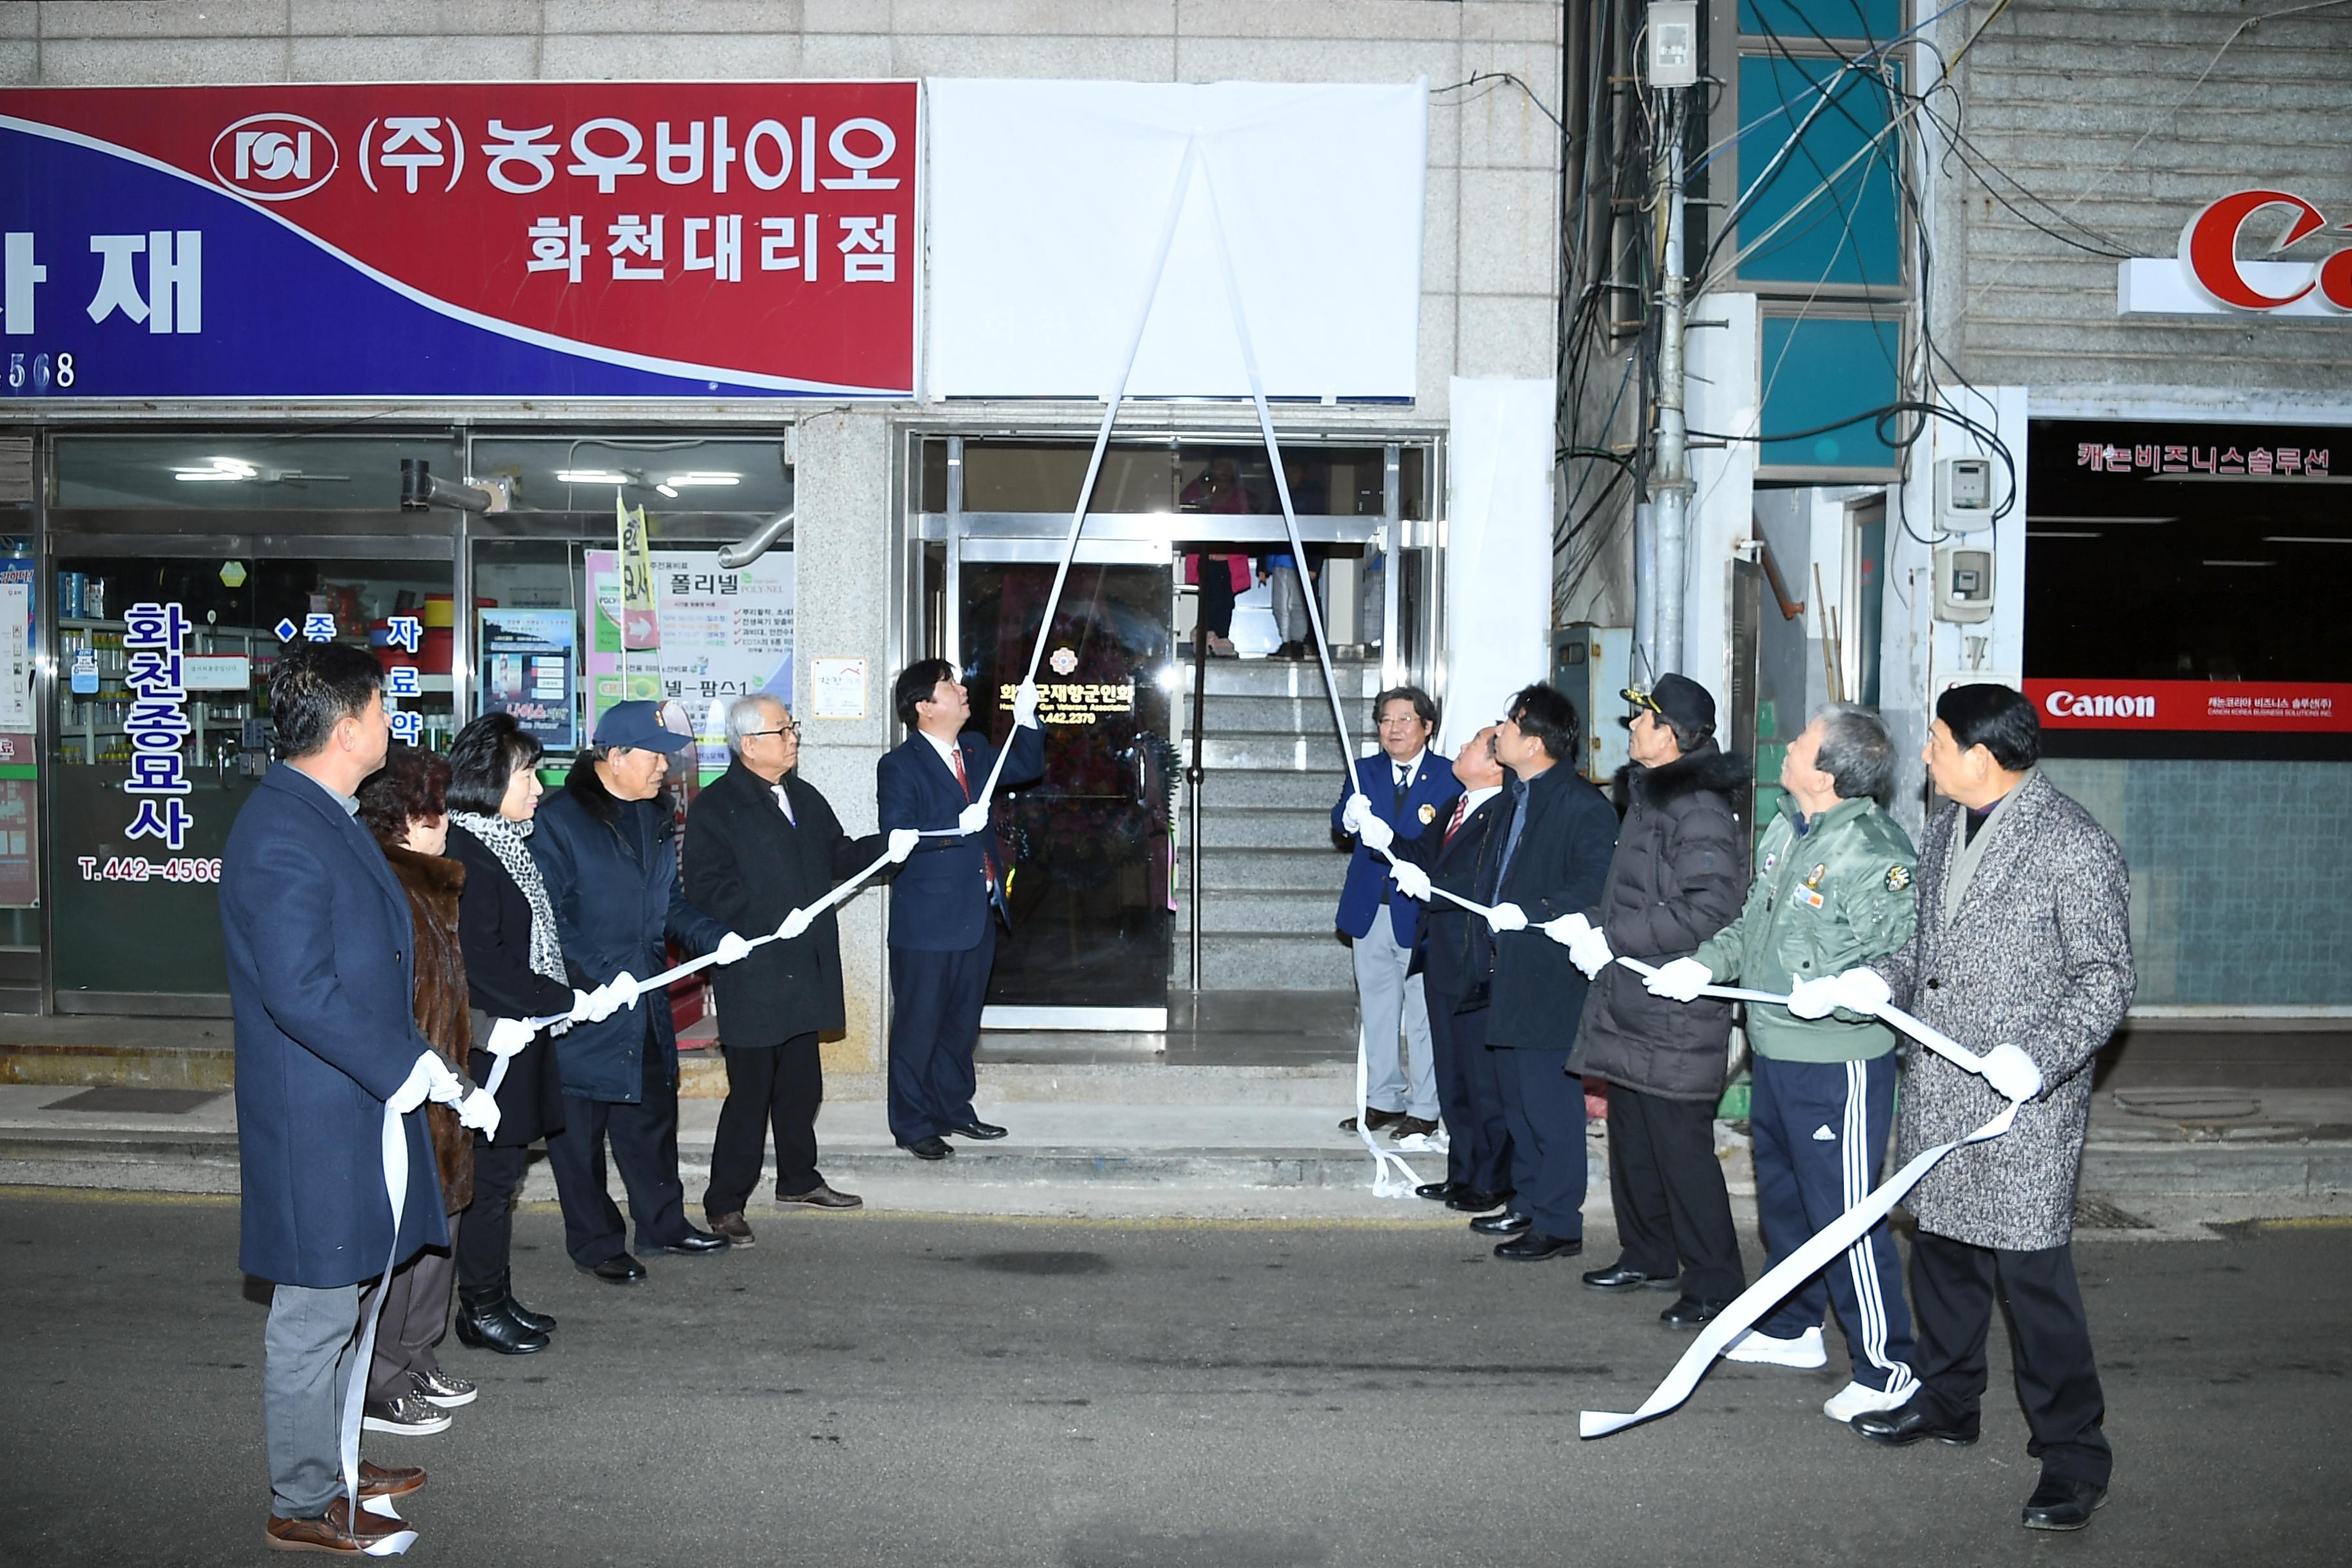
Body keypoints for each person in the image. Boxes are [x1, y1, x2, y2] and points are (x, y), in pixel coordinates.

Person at [1847, 683, 2135, 1534]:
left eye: (1936, 740)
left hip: (2019, 1106)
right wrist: (1879, 979)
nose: (1926, 755)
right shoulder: (1943, 831)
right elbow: (1921, 948)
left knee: (2033, 1285)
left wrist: (2037, 1058)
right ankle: (1947, 1403)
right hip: (1941, 1089)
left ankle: (2075, 1458)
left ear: (1980, 754)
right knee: (1943, 1260)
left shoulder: (2072, 844)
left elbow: (2106, 980)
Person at [222, 641, 464, 1553]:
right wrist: (401, 1066)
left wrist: (412, 1060)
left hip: (356, 1093)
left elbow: (368, 967)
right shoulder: (283, 827)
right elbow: (300, 989)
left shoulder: (324, 811)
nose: (391, 723)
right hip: (317, 1108)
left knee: (354, 1292)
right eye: (383, 707)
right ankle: (302, 1497)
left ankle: (333, 1456)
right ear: (348, 722)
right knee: (316, 1307)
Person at [1645, 703, 1921, 1424]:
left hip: (1839, 1066)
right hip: (1776, 1050)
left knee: (1846, 1218)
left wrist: (1858, 988)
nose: (1788, 748)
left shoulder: (1873, 848)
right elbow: (1750, 924)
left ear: (1826, 771)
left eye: (1800, 742)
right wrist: (1701, 966)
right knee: (1788, 1202)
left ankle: (1888, 1364)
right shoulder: (1787, 828)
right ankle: (1795, 1324)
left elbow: (1902, 958)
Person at [530, 701, 752, 1282]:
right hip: (584, 1007)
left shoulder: (654, 815)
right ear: (614, 755)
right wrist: (604, 975)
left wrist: (717, 939)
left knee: (652, 1119)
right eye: (654, 756)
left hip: (644, 1000)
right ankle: (598, 1244)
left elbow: (668, 905)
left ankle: (663, 1224)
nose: (665, 768)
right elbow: (551, 919)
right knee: (579, 1138)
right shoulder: (558, 819)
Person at [1554, 676, 1750, 1326]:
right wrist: (1587, 923)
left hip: (1674, 1002)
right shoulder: (1650, 797)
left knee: (1680, 1150)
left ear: (1673, 735)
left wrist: (1612, 938)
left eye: (1643, 720)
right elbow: (1635, 894)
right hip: (1635, 995)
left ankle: (1716, 1281)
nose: (1631, 728)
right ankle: (1649, 1250)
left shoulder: (1696, 805)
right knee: (1633, 1136)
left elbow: (1711, 906)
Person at [686, 693, 918, 1240]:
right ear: (749, 745)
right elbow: (706, 888)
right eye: (783, 731)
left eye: (793, 729)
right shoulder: (716, 807)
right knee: (750, 1093)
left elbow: (836, 855)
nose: (793, 739)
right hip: (755, 967)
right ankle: (724, 1201)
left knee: (801, 1085)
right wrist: (765, 919)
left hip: (804, 963)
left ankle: (798, 1178)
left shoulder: (803, 796)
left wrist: (890, 846)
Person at [352, 745, 480, 1436]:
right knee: (403, 1248)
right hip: (412, 1096)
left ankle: (415, 1353)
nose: (446, 819)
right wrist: (439, 1077)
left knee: (441, 1238)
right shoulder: (390, 888)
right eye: (435, 807)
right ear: (402, 817)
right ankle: (380, 1380)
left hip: (448, 1094)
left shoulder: (433, 882)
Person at [444, 712, 577, 1353]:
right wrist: (563, 995)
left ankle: (495, 1294)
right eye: (528, 772)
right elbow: (487, 963)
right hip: (491, 1044)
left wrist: (566, 990)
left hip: (523, 1032)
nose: (539, 786)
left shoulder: (502, 842)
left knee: (503, 1179)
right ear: (490, 778)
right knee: (491, 1181)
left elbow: (531, 945)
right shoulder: (465, 852)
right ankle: (481, 1307)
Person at [876, 661, 1044, 1159]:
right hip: (928, 922)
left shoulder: (974, 750)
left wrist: (1028, 719)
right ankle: (911, 1123)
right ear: (924, 707)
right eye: (950, 685)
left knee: (961, 1025)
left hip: (977, 913)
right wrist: (955, 826)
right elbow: (898, 839)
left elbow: (1026, 766)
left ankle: (953, 1108)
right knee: (918, 1026)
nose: (963, 688)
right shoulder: (899, 766)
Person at [1474, 683, 1617, 1261]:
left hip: (1551, 974)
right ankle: (1528, 1201)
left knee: (1549, 1105)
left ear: (1535, 743)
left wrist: (1534, 913)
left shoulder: (1583, 807)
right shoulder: (1516, 796)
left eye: (1510, 724)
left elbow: (1592, 887)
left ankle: (1560, 1222)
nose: (1499, 731)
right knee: (1516, 1100)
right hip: (1508, 968)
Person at [1381, 724, 1515, 1211]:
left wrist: (1431, 886)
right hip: (1441, 956)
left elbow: (1476, 882)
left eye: (1475, 744)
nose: (1461, 748)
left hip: (1475, 960)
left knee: (1483, 1080)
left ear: (1497, 763)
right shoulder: (1459, 806)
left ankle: (1492, 1179)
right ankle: (1463, 1171)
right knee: (1453, 1076)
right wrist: (1383, 837)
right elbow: (1421, 853)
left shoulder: (1504, 813)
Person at [1333, 687, 1460, 1141]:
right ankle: (1383, 1099)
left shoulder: (1450, 777)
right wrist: (1349, 817)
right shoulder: (1363, 771)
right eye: (1386, 720)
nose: (1394, 729)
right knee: (1379, 1010)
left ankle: (1426, 1107)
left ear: (1427, 727)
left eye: (1405, 720)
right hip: (1371, 909)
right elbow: (1339, 821)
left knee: (1425, 1014)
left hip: (1423, 913)